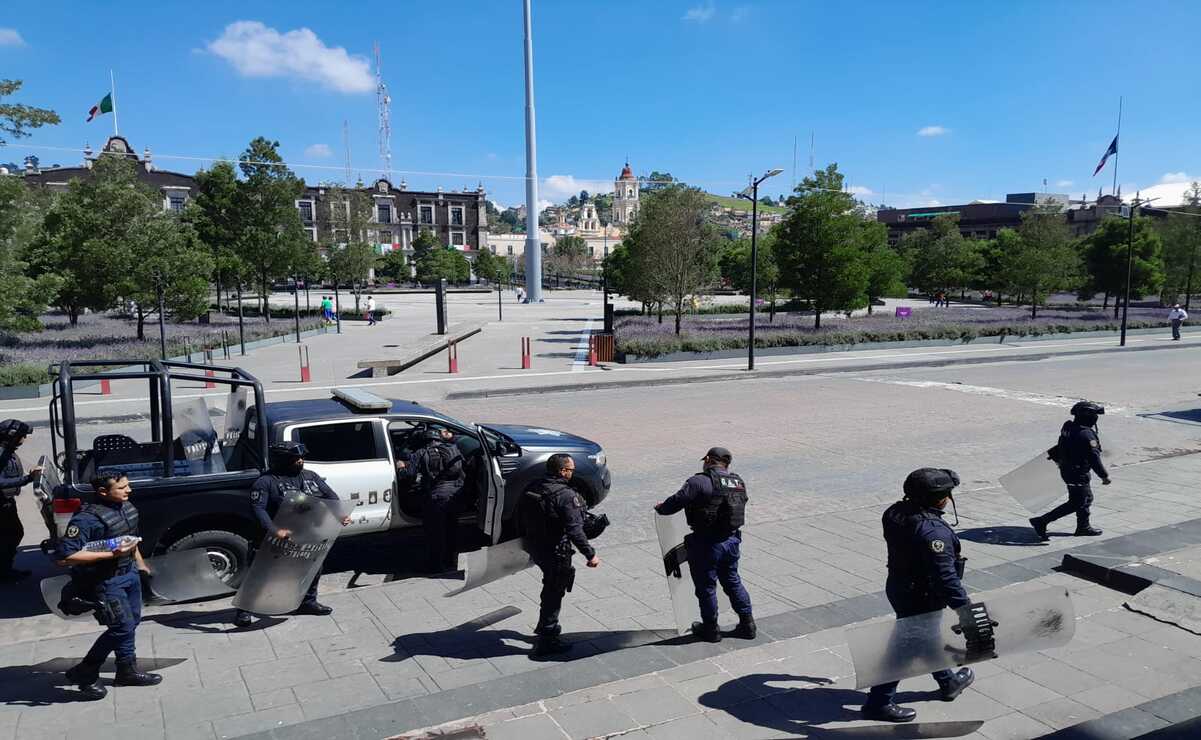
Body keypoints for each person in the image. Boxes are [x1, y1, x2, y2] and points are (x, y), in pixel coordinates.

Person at [861, 468, 975, 723]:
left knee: (926, 637)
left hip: (899, 586)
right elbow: (946, 578)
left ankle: (948, 682)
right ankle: (878, 702)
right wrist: (965, 610)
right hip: (922, 595)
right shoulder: (934, 533)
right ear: (940, 499)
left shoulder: (894, 512)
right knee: (904, 647)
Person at [57, 474, 161, 700]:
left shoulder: (127, 507)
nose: (129, 490)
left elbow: (131, 541)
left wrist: (141, 567)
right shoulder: (85, 519)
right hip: (106, 581)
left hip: (129, 574)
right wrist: (110, 554)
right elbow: (66, 557)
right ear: (103, 492)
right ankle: (85, 671)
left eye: (128, 485)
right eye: (122, 487)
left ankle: (127, 670)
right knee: (121, 627)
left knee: (131, 622)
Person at [234, 442, 351, 627]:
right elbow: (258, 509)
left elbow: (330, 496)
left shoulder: (310, 477)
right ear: (282, 461)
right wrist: (275, 530)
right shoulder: (266, 482)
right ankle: (244, 611)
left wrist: (340, 515)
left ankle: (308, 602)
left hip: (306, 533)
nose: (300, 461)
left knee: (313, 568)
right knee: (261, 573)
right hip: (275, 536)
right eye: (296, 459)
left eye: (301, 458)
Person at [654, 447, 755, 643]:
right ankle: (748, 624)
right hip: (732, 541)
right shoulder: (738, 482)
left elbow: (676, 501)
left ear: (708, 459)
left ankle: (710, 629)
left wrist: (661, 508)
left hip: (706, 544)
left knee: (706, 586)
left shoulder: (698, 481)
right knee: (732, 581)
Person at [519, 454, 599, 656]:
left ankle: (545, 627)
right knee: (554, 591)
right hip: (556, 550)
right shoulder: (565, 495)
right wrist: (590, 555)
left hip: (537, 547)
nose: (572, 473)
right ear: (562, 471)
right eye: (571, 469)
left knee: (550, 585)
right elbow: (575, 531)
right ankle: (547, 638)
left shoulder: (534, 486)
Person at [1030, 401, 1110, 540]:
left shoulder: (1069, 427)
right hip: (1077, 473)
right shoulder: (1086, 435)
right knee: (1078, 502)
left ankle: (1083, 527)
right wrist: (1104, 476)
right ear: (1089, 416)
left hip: (1068, 469)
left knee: (1086, 498)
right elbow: (1094, 458)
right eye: (1095, 415)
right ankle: (1041, 521)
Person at [397, 427, 467, 573]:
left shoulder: (421, 452)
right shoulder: (453, 448)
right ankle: (451, 562)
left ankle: (436, 566)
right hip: (455, 494)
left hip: (436, 497)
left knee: (436, 533)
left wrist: (400, 466)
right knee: (451, 530)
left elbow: (408, 474)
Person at [0, 419, 42, 583]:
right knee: (11, 535)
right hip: (2, 503)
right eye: (23, 436)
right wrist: (27, 479)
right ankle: (4, 572)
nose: (24, 439)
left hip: (6, 501)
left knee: (11, 534)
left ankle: (5, 569)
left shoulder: (7, 450)